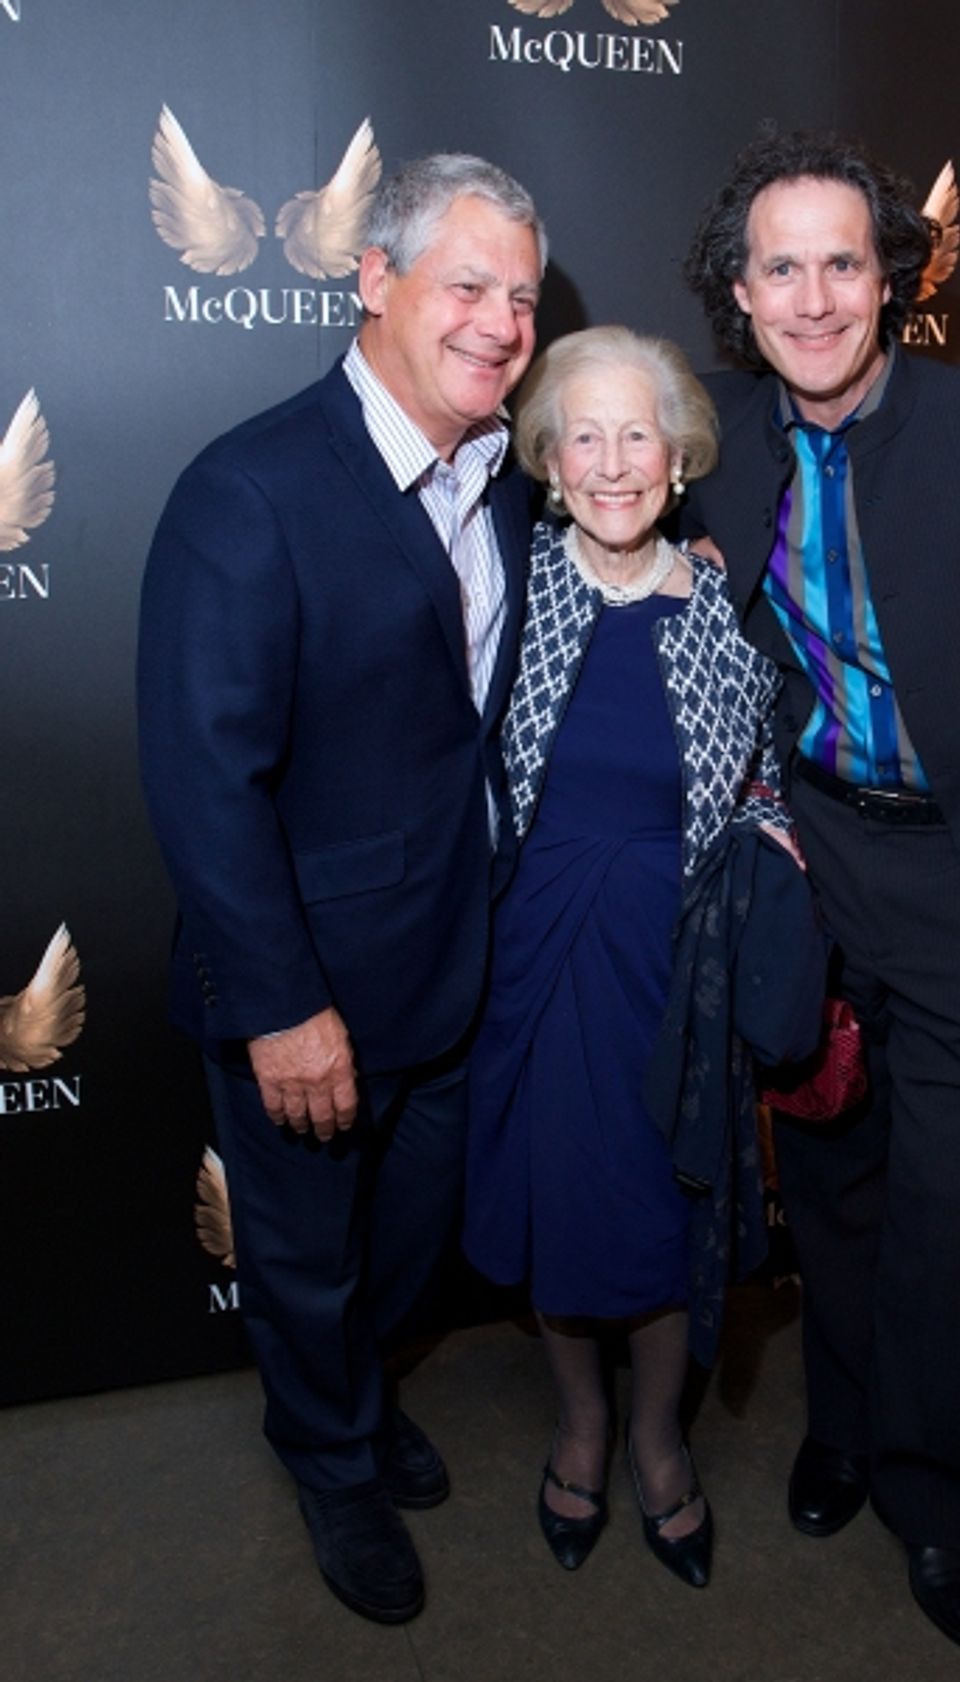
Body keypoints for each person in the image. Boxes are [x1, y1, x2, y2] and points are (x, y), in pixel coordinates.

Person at [682, 129, 960, 1650]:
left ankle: (934, 1501)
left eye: (842, 260)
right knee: (832, 1181)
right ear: (739, 295)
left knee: (944, 1214)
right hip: (816, 862)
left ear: (891, 275)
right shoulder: (718, 442)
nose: (813, 297)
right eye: (780, 266)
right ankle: (845, 1426)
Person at [137, 154, 546, 1625]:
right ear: (372, 281)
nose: (502, 323)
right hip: (304, 989)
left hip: (451, 967)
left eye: (521, 297)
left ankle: (354, 1401)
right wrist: (282, 1003)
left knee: (404, 1244)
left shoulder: (503, 483)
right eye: (466, 286)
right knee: (304, 1260)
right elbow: (204, 783)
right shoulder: (249, 491)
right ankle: (328, 1455)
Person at [464, 325, 821, 1589]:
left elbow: (769, 784)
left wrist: (769, 861)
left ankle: (661, 1438)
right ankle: (583, 1421)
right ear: (549, 460)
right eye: (585, 434)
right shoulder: (503, 591)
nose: (614, 461)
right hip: (539, 960)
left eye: (640, 436)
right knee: (566, 1207)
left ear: (677, 461)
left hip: (680, 970)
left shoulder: (727, 614)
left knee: (673, 1210)